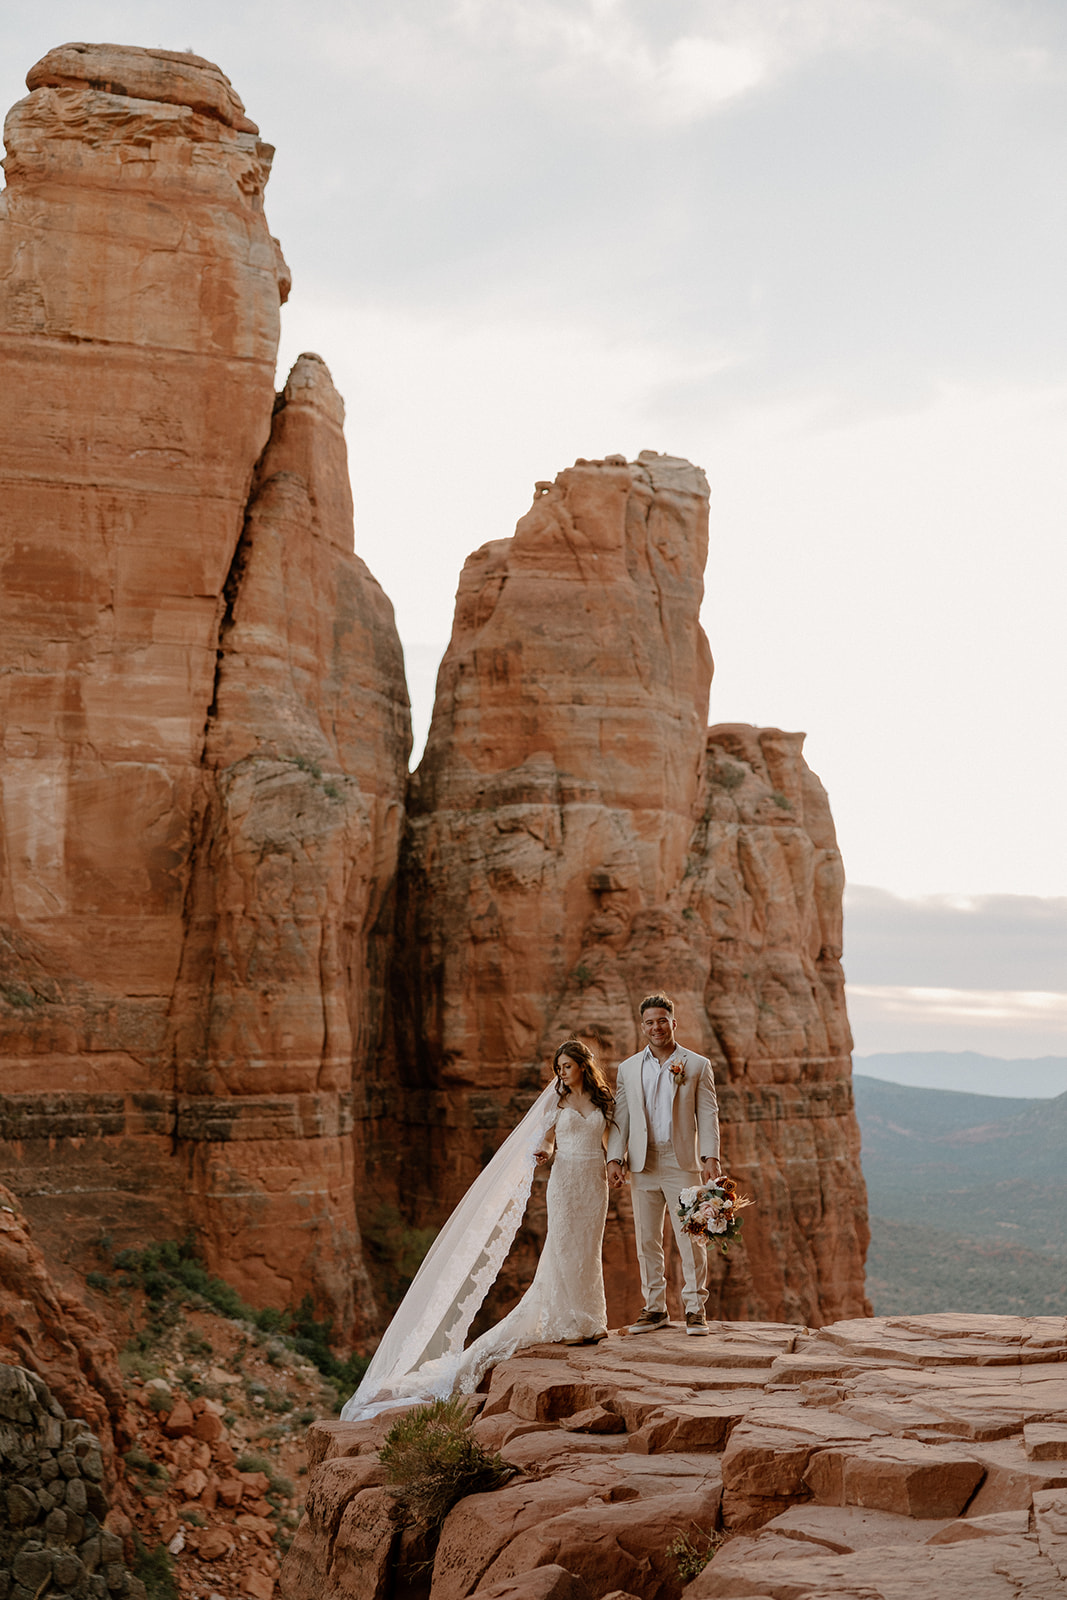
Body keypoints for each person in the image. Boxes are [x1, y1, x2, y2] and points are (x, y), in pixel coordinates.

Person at [342, 1040, 612, 1419]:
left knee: (588, 1247)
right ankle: (567, 1320)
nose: (562, 1073)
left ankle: (589, 1318)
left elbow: (609, 1140)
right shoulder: (558, 1098)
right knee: (564, 1247)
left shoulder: (602, 1100)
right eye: (559, 1067)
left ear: (583, 1066)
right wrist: (545, 1152)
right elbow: (548, 1138)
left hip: (594, 1182)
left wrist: (620, 1162)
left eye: (567, 1066)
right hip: (565, 1182)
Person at [606, 993, 721, 1336]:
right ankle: (655, 1308)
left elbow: (708, 1113)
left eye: (662, 1020)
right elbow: (621, 1116)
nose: (656, 1027)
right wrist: (615, 1156)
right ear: (642, 1027)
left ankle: (694, 1308)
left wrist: (711, 1156)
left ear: (674, 1022)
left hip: (682, 1160)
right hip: (642, 1162)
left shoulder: (697, 1064)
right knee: (647, 1239)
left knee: (691, 1237)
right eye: (650, 1022)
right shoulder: (627, 1068)